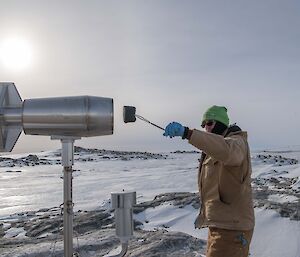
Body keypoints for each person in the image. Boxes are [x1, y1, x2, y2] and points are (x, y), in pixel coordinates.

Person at [163, 105, 254, 257]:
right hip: (219, 224)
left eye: (209, 123)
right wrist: (204, 214)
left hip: (233, 228)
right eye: (203, 125)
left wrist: (187, 133)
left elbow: (227, 151)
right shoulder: (216, 148)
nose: (206, 128)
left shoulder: (237, 143)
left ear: (221, 124)